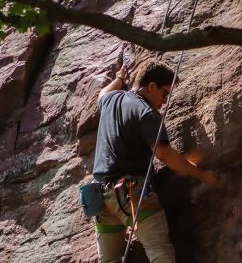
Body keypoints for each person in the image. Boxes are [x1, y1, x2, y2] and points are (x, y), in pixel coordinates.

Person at [93, 60, 218, 263]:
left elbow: (102, 94)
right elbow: (164, 155)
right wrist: (202, 175)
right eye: (165, 93)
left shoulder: (110, 100)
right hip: (131, 193)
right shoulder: (146, 112)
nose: (164, 101)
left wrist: (119, 79)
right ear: (151, 86)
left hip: (101, 199)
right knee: (160, 252)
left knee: (108, 261)